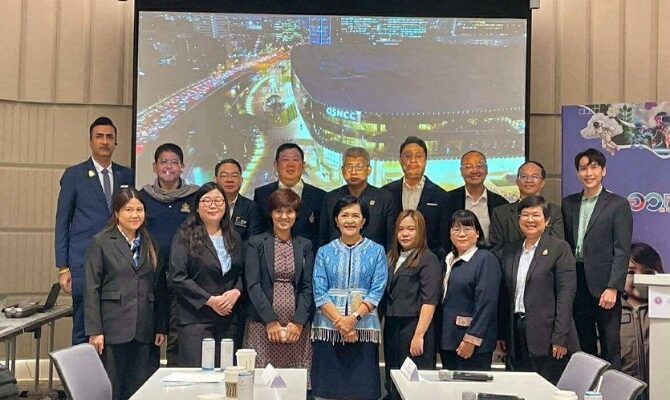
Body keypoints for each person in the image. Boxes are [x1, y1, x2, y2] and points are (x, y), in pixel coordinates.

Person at [55, 116, 134, 345]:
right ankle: (81, 370)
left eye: (110, 137)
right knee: (83, 327)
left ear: (116, 142)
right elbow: (62, 222)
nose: (105, 141)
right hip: (83, 263)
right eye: (99, 137)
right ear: (91, 141)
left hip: (117, 265)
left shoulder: (127, 175)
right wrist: (63, 267)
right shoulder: (74, 175)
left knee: (112, 327)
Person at [84, 188, 167, 400]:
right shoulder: (101, 242)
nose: (134, 215)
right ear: (116, 213)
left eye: (139, 210)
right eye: (128, 210)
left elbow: (159, 287)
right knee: (113, 387)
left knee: (141, 387)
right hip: (113, 328)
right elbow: (91, 288)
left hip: (145, 327)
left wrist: (160, 326)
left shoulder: (151, 243)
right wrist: (95, 330)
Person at [311, 196, 388, 400]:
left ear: (364, 221)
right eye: (344, 215)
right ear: (336, 220)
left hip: (363, 329)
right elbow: (319, 291)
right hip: (329, 329)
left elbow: (377, 290)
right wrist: (341, 323)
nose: (350, 220)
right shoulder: (324, 252)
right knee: (327, 392)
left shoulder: (377, 251)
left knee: (362, 392)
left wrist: (353, 319)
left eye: (355, 216)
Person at [562, 148, 633, 369]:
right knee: (584, 343)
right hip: (577, 281)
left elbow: (622, 250)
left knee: (610, 344)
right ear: (577, 173)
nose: (588, 173)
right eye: (583, 168)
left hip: (605, 285)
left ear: (603, 171)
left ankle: (611, 386)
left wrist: (613, 287)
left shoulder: (617, 204)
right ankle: (588, 386)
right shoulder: (569, 203)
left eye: (594, 167)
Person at [497, 195, 580, 384]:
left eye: (536, 215)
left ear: (547, 220)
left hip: (548, 335)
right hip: (517, 332)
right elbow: (506, 295)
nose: (530, 220)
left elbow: (566, 295)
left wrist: (560, 336)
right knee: (520, 387)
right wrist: (503, 334)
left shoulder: (559, 249)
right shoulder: (511, 250)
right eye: (525, 215)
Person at [169, 182, 245, 366]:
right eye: (207, 200)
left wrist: (236, 291)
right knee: (198, 376)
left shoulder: (234, 237)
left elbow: (242, 272)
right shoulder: (184, 236)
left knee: (226, 375)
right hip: (195, 320)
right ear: (197, 206)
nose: (213, 205)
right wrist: (210, 300)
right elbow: (177, 277)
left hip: (229, 320)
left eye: (218, 201)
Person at [139, 143, 198, 366]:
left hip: (183, 278)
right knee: (150, 335)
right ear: (154, 166)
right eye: (163, 162)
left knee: (177, 338)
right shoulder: (142, 197)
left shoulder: (195, 197)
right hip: (150, 277)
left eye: (174, 162)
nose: (169, 166)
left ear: (182, 167)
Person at [244, 189, 314, 373]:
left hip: (296, 328)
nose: (284, 216)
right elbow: (253, 285)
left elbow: (308, 287)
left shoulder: (305, 245)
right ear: (271, 213)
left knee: (294, 381)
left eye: (289, 211)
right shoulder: (256, 243)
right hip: (263, 324)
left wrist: (298, 322)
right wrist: (270, 321)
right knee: (262, 380)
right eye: (278, 211)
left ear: (296, 214)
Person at [380, 210, 441, 400]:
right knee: (393, 380)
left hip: (414, 328)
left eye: (411, 229)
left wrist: (419, 334)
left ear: (420, 231)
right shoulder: (392, 257)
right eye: (400, 229)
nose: (405, 234)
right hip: (392, 327)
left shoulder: (428, 259)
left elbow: (429, 301)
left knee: (414, 385)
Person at [439, 210, 501, 370]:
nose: (461, 234)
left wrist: (471, 339)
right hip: (448, 340)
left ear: (478, 233)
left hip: (472, 344)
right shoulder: (447, 260)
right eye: (456, 229)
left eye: (467, 229)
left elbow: (487, 303)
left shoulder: (485, 259)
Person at [320, 147, 397, 250]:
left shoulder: (384, 198)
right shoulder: (330, 198)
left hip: (374, 258)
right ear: (342, 170)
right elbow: (323, 239)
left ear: (369, 170)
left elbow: (391, 241)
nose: (353, 172)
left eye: (359, 167)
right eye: (349, 167)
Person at [382, 136, 449, 255]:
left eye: (418, 156)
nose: (413, 160)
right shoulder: (386, 193)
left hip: (428, 261)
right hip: (392, 259)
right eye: (408, 156)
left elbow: (443, 239)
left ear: (425, 160)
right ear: (400, 160)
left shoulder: (441, 196)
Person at [254, 143, 325, 244]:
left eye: (295, 160)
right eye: (285, 159)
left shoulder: (319, 196)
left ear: (303, 165)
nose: (291, 164)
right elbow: (258, 231)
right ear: (276, 164)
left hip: (308, 252)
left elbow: (322, 235)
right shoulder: (262, 194)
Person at [490, 161, 563, 258]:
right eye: (524, 176)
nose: (529, 180)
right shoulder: (500, 213)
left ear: (543, 183)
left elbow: (557, 246)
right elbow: (497, 248)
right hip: (509, 264)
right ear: (517, 182)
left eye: (534, 177)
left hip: (545, 265)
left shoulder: (554, 211)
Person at [621, 243, 664, 395]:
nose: (638, 278)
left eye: (647, 273)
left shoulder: (663, 311)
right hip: (623, 391)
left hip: (660, 389)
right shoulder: (611, 312)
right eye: (631, 272)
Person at [444, 150, 508, 251]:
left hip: (491, 257)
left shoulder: (500, 203)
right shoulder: (447, 200)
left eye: (479, 166)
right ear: (461, 171)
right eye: (468, 166)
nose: (474, 170)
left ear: (486, 170)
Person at [215, 158, 263, 241]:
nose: (229, 180)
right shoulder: (206, 205)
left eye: (234, 176)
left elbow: (253, 241)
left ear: (241, 180)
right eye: (224, 175)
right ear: (216, 180)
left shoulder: (251, 207)